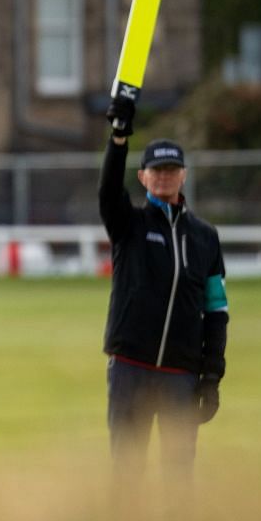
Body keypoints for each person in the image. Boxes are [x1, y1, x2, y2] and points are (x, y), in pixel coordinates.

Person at [98, 94, 229, 490]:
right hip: (130, 367)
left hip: (180, 374)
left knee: (178, 474)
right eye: (157, 170)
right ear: (143, 178)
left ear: (184, 175)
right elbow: (107, 192)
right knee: (127, 469)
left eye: (172, 169)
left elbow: (216, 311)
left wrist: (211, 376)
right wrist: (119, 138)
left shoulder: (205, 238)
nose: (165, 176)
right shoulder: (130, 225)